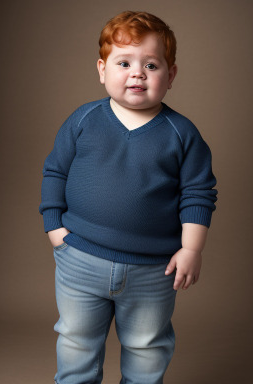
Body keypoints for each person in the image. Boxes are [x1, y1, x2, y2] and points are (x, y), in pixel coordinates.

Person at [39, 10, 218, 384]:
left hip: (153, 270)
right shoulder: (84, 119)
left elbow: (198, 193)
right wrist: (54, 226)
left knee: (146, 347)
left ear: (171, 75)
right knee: (76, 341)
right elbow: (56, 171)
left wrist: (191, 248)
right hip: (80, 260)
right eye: (125, 63)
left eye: (151, 65)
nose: (138, 73)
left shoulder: (181, 134)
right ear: (102, 70)